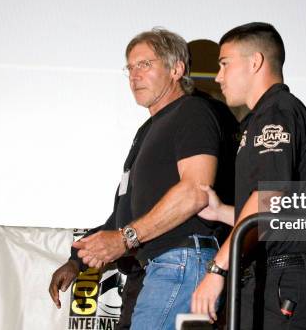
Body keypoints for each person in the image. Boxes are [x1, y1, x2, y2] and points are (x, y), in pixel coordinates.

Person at [64, 28, 237, 330]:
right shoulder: (147, 130)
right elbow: (126, 213)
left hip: (182, 260)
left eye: (145, 64)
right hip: (158, 265)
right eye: (130, 68)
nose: (134, 75)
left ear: (176, 69)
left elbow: (196, 191)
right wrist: (77, 260)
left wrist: (125, 238)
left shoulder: (193, 111)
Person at [191, 22, 306, 329]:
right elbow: (276, 213)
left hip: (285, 283)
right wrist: (221, 212)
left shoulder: (275, 115)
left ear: (255, 62)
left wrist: (217, 270)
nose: (218, 77)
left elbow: (267, 202)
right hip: (276, 280)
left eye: (224, 64)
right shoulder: (265, 116)